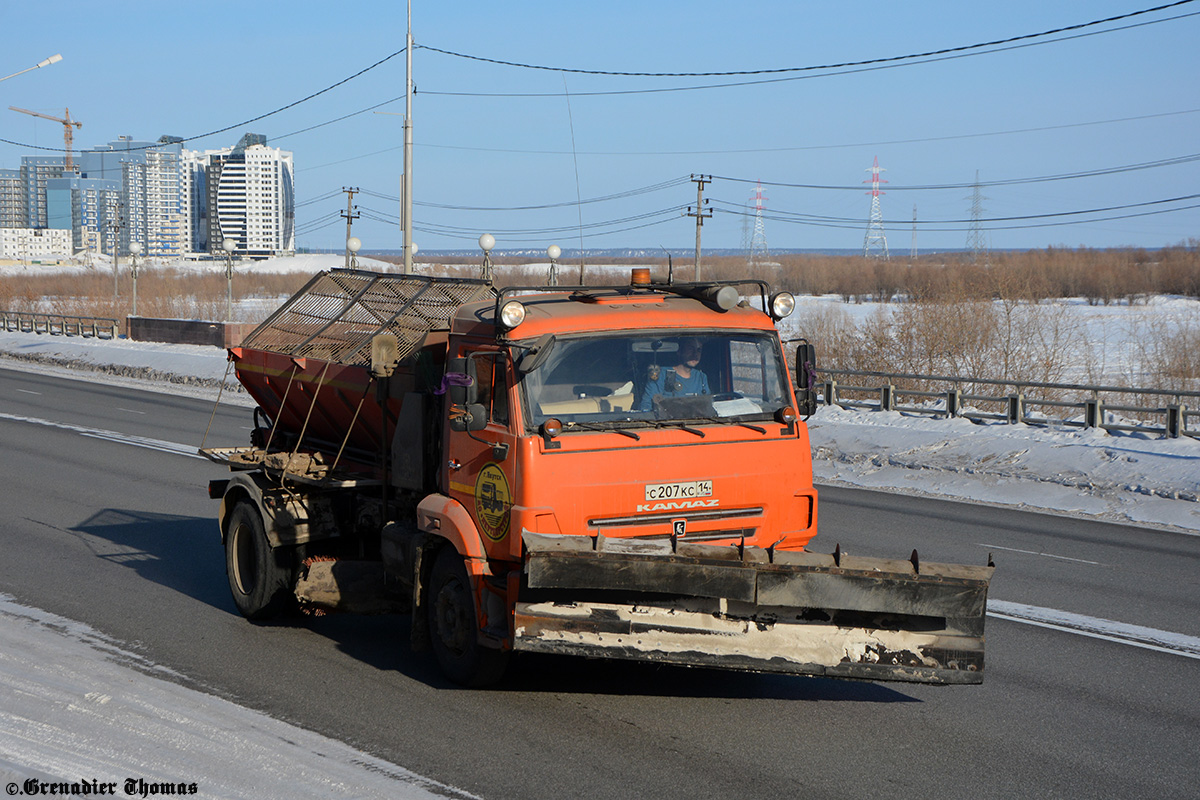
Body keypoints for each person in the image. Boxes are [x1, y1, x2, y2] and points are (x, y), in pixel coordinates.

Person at [638, 338, 710, 411]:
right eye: (691, 349)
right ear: (680, 351)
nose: (695, 354)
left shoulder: (701, 377)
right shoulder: (661, 375)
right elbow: (646, 406)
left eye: (699, 350)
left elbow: (708, 406)